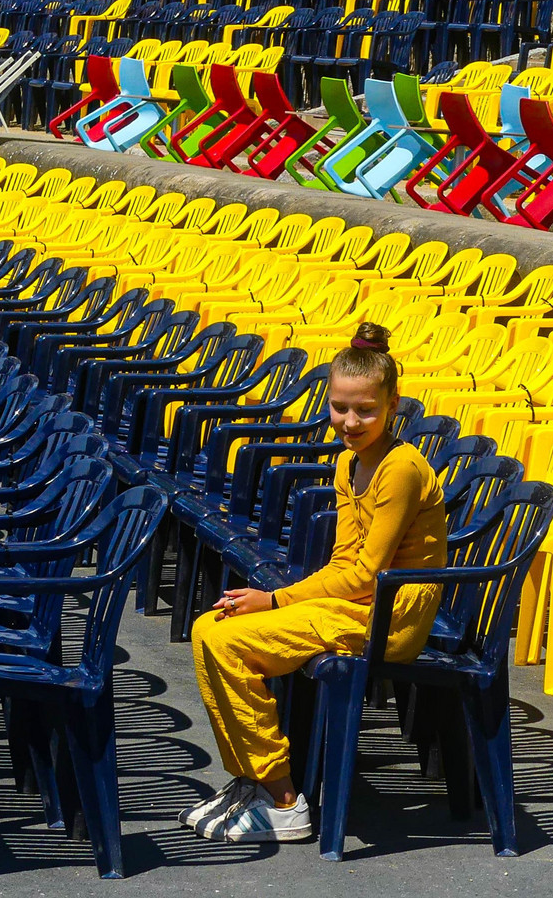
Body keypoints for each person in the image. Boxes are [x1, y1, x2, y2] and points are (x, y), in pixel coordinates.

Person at [183, 322, 447, 843]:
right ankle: (252, 779)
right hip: (359, 602)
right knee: (210, 629)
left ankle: (283, 800)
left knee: (231, 641)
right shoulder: (350, 464)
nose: (350, 422)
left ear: (394, 404)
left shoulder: (400, 469)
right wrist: (273, 602)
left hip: (392, 613)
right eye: (340, 408)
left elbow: (368, 573)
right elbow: (344, 560)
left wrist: (275, 599)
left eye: (366, 410)